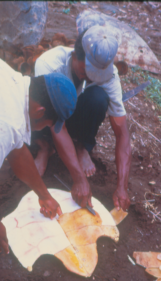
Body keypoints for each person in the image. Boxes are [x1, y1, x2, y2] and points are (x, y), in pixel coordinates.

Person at [0, 44, 77, 254]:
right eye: (48, 124)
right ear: (39, 111)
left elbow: (18, 152)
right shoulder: (5, 122)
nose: (44, 128)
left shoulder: (14, 83)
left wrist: (44, 194)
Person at [34, 25, 131, 212]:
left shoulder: (109, 75)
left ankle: (81, 146)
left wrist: (122, 187)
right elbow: (55, 124)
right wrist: (79, 179)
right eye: (87, 69)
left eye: (97, 74)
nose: (90, 76)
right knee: (39, 109)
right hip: (49, 119)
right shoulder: (50, 64)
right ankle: (44, 147)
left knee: (98, 99)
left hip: (73, 118)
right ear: (76, 55)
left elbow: (122, 133)